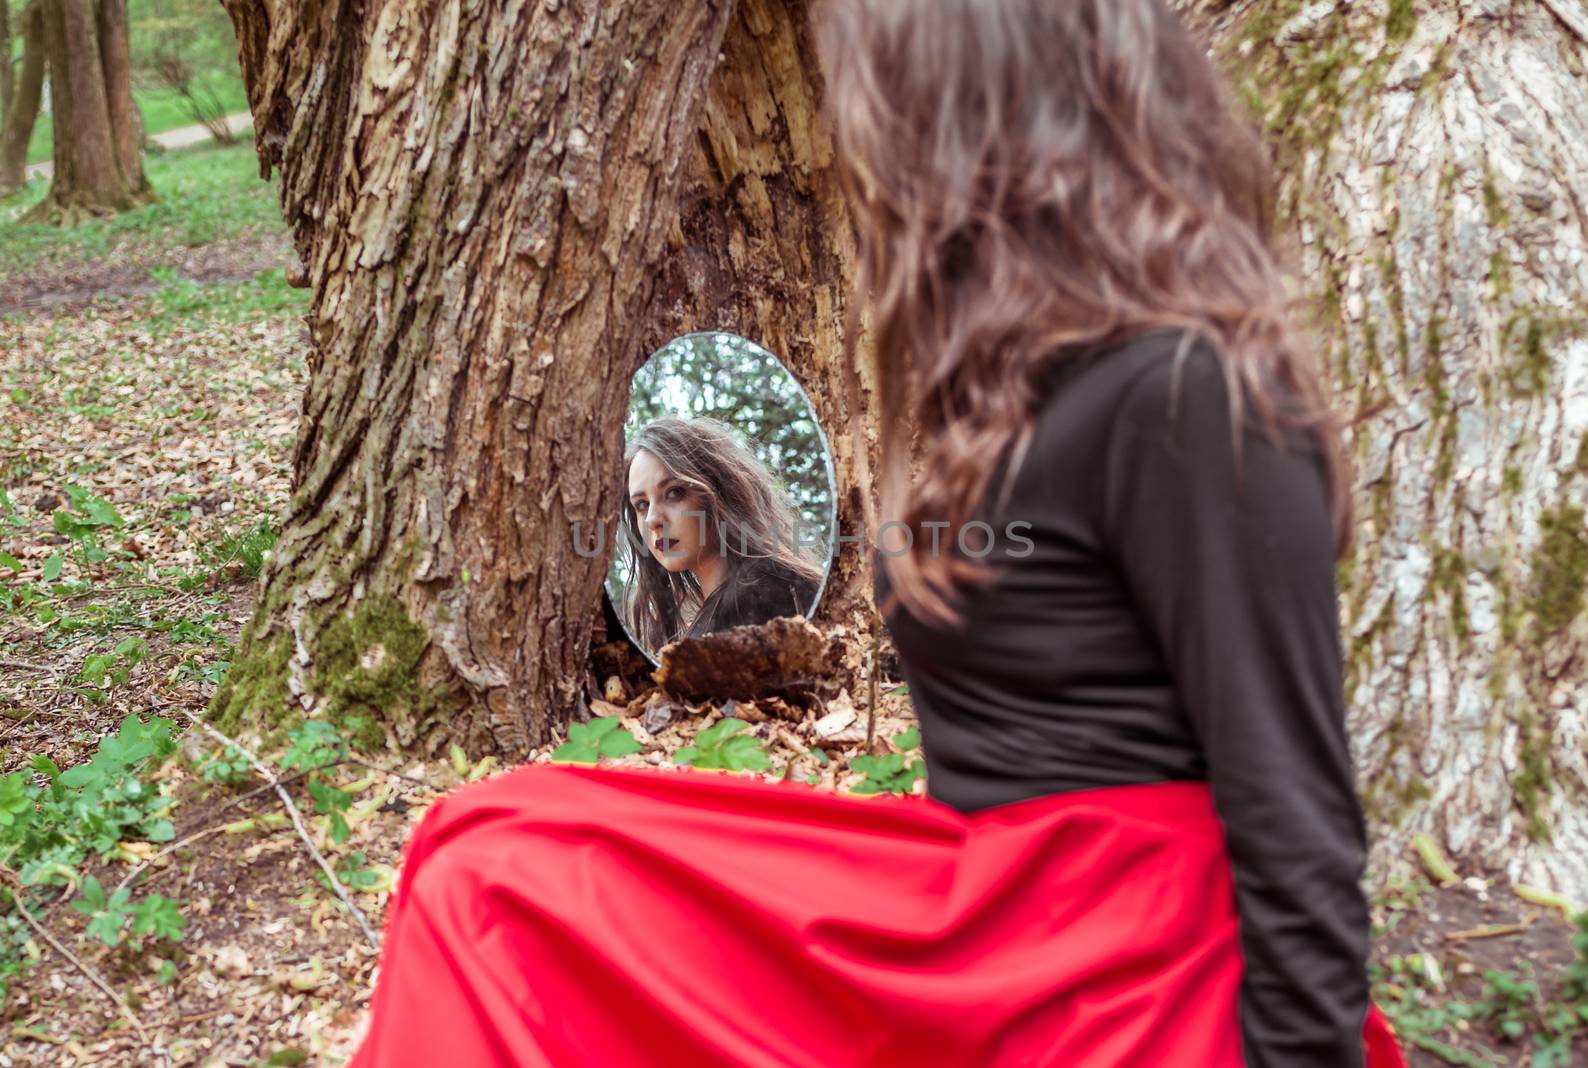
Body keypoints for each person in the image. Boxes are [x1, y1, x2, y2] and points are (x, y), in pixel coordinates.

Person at [344, 1, 1409, 1066]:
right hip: (989, 919)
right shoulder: (1014, 373)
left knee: (489, 875)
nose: (859, 140)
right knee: (494, 859)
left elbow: (1296, 813)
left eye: (876, 98)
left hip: (1123, 973)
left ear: (975, 113)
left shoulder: (1189, 394)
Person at [620, 416, 825, 656]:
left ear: (718, 492)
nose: (652, 519)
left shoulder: (763, 593)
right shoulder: (728, 608)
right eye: (642, 505)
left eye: (674, 492)